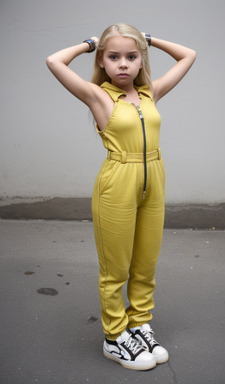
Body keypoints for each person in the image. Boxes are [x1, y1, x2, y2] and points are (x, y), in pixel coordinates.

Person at [46, 22, 196, 371]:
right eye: (114, 57)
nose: (123, 64)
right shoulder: (98, 96)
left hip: (154, 177)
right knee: (115, 268)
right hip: (118, 181)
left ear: (141, 61)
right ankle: (114, 336)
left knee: (145, 262)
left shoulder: (150, 94)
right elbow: (54, 62)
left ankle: (139, 322)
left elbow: (189, 55)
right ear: (102, 63)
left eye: (131, 57)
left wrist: (149, 39)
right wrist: (91, 43)